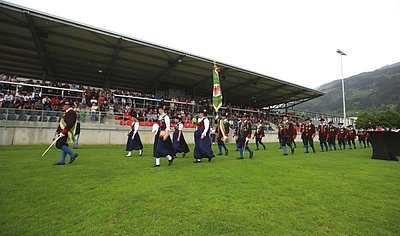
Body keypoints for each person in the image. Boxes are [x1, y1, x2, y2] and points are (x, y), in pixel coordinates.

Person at [53, 100, 78, 165]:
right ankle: (62, 160)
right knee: (64, 145)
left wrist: (63, 132)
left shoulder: (71, 112)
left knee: (59, 145)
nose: (62, 107)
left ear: (68, 106)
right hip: (63, 131)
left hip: (65, 132)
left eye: (63, 105)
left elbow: (70, 123)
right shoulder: (68, 112)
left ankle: (72, 154)